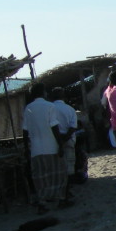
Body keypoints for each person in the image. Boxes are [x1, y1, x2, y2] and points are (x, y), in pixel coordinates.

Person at [22, 82, 68, 213]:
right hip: (51, 146)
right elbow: (54, 127)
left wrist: (27, 148)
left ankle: (42, 202)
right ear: (43, 93)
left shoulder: (28, 108)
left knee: (41, 177)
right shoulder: (50, 106)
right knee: (58, 174)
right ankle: (60, 199)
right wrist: (60, 144)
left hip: (36, 149)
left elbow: (25, 131)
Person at [49, 87, 79, 204]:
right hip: (68, 140)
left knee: (57, 169)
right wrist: (65, 139)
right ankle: (66, 194)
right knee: (69, 169)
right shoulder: (69, 109)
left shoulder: (49, 109)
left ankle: (59, 193)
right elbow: (73, 127)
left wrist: (59, 140)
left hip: (53, 141)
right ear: (63, 97)